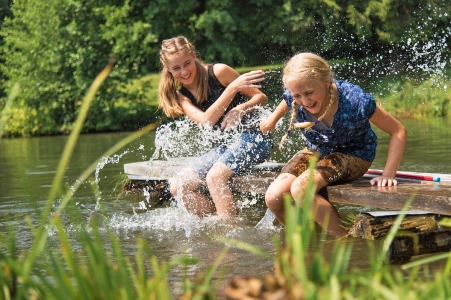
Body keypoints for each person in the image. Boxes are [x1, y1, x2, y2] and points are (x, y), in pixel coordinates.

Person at [260, 52, 406, 236]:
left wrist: (388, 174)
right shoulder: (294, 96)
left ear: (327, 82)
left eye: (309, 93)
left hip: (353, 154)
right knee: (274, 197)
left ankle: (345, 241)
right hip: (317, 150)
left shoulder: (355, 101)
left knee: (300, 189)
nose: (304, 102)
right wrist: (271, 120)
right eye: (297, 95)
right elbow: (287, 99)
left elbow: (398, 131)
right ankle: (306, 239)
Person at [158, 36, 272, 218]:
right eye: (176, 68)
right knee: (177, 186)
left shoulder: (219, 72)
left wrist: (240, 108)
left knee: (215, 177)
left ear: (194, 56)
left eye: (187, 63)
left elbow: (261, 98)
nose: (184, 71)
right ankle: (222, 221)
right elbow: (206, 121)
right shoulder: (181, 96)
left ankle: (229, 232)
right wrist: (231, 90)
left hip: (254, 139)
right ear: (169, 70)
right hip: (226, 147)